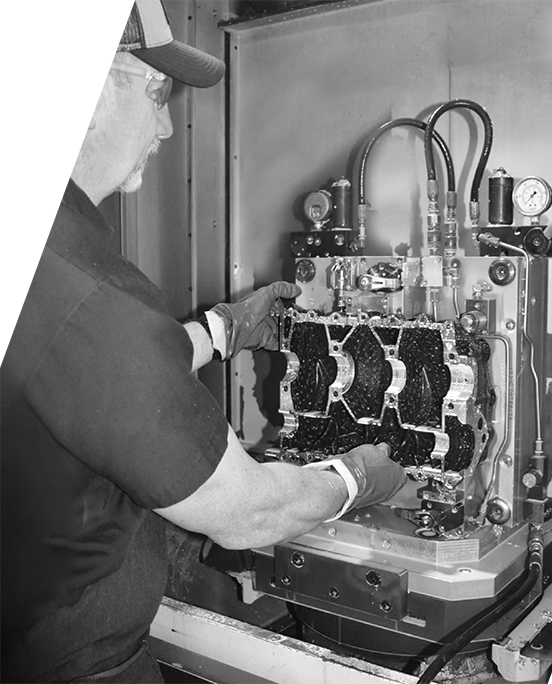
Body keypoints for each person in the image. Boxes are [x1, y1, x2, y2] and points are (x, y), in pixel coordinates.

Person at [0, 1, 407, 682]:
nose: (164, 125)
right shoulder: (91, 291)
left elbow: (83, 378)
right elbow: (250, 515)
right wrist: (355, 478)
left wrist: (220, 330)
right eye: (157, 91)